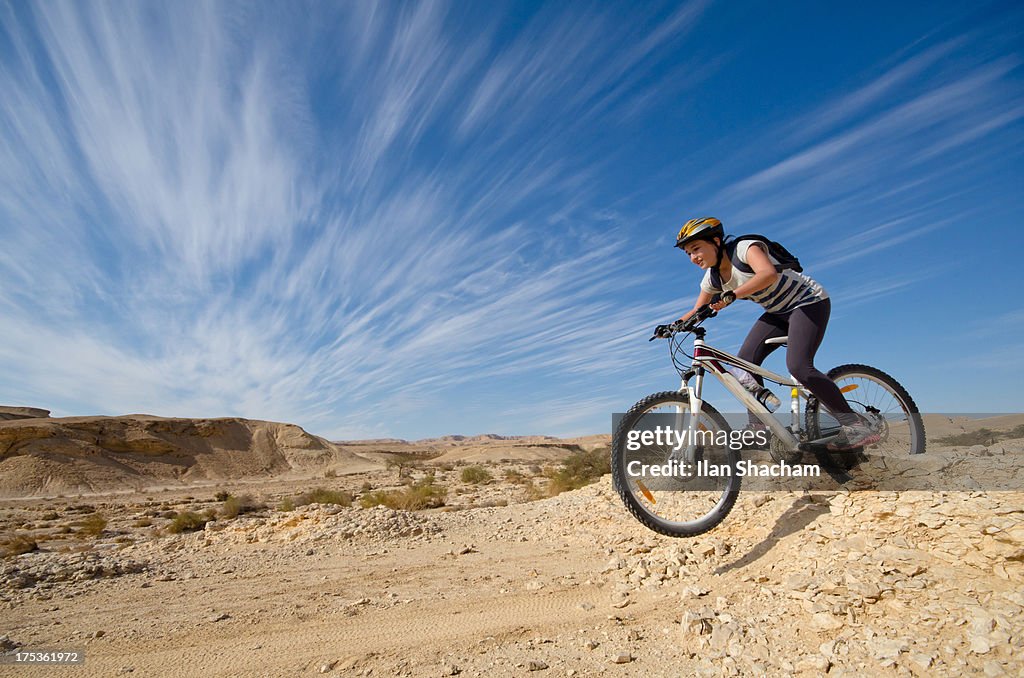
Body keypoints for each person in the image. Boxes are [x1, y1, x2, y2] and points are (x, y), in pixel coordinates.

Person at [667, 216, 880, 450]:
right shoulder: (713, 277)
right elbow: (698, 308)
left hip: (808, 302)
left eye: (696, 249)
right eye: (688, 253)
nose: (693, 257)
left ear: (716, 241)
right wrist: (671, 326)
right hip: (777, 312)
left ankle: (856, 425)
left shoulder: (744, 249)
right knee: (743, 364)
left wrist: (733, 295)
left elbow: (767, 274)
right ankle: (758, 429)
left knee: (799, 366)